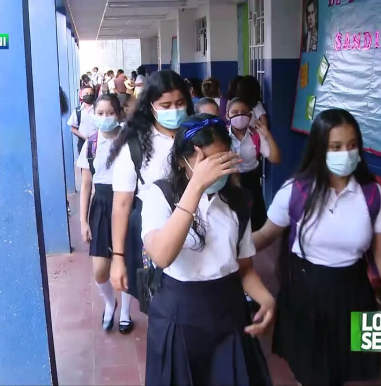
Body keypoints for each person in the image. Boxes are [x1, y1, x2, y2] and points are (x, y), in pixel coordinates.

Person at [252, 108, 381, 386]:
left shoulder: (372, 193)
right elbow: (265, 235)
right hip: (305, 294)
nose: (345, 153)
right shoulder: (295, 191)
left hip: (353, 292)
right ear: (319, 148)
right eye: (335, 147)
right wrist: (229, 246)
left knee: (350, 370)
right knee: (313, 375)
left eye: (351, 145)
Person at [141, 113, 274, 385]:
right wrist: (196, 186)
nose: (215, 171)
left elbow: (244, 269)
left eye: (223, 161)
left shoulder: (237, 202)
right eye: (208, 163)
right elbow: (162, 254)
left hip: (228, 311)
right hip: (179, 312)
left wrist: (267, 299)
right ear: (182, 161)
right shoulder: (160, 195)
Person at [107, 70, 193, 310]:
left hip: (198, 230)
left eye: (179, 103)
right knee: (160, 306)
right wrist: (118, 258)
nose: (174, 110)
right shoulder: (135, 146)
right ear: (151, 107)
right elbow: (122, 205)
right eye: (165, 105)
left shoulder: (199, 136)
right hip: (153, 236)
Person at [77, 94, 134, 333]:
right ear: (93, 115)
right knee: (100, 269)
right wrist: (83, 221)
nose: (105, 118)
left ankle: (125, 313)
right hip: (100, 205)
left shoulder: (130, 140)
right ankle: (110, 304)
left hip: (128, 203)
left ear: (119, 113)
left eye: (110, 113)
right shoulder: (90, 144)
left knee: (128, 262)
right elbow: (86, 185)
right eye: (100, 113)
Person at [227, 97, 281, 231]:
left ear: (250, 115)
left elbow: (275, 159)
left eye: (244, 112)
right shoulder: (222, 136)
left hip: (252, 183)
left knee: (256, 223)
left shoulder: (256, 135)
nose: (240, 115)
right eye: (235, 112)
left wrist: (267, 134)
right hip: (229, 184)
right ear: (227, 115)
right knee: (233, 224)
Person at [67, 86, 97, 154]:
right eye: (86, 93)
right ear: (81, 95)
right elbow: (73, 128)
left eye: (91, 93)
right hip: (83, 142)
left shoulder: (98, 109)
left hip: (97, 142)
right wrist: (84, 137)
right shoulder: (78, 111)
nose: (89, 95)